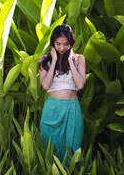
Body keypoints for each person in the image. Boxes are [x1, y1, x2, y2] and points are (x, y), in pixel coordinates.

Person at [38, 24, 86, 163]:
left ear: (71, 43)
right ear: (53, 43)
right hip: (52, 109)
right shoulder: (44, 60)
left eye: (66, 44)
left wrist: (71, 61)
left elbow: (80, 84)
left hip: (72, 108)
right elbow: (46, 85)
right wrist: (53, 60)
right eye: (58, 44)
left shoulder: (79, 59)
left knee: (72, 148)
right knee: (49, 148)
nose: (62, 48)